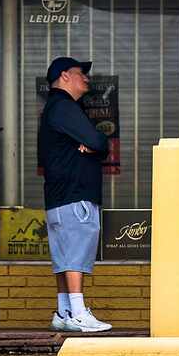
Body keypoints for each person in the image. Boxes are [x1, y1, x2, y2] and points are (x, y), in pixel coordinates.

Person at [38, 56, 112, 332]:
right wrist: (96, 144)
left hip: (58, 197)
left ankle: (64, 311)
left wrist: (91, 144)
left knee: (63, 255)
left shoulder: (53, 109)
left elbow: (91, 142)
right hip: (75, 195)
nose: (87, 78)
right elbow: (98, 140)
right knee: (75, 256)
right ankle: (79, 313)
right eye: (81, 73)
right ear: (64, 76)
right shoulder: (64, 106)